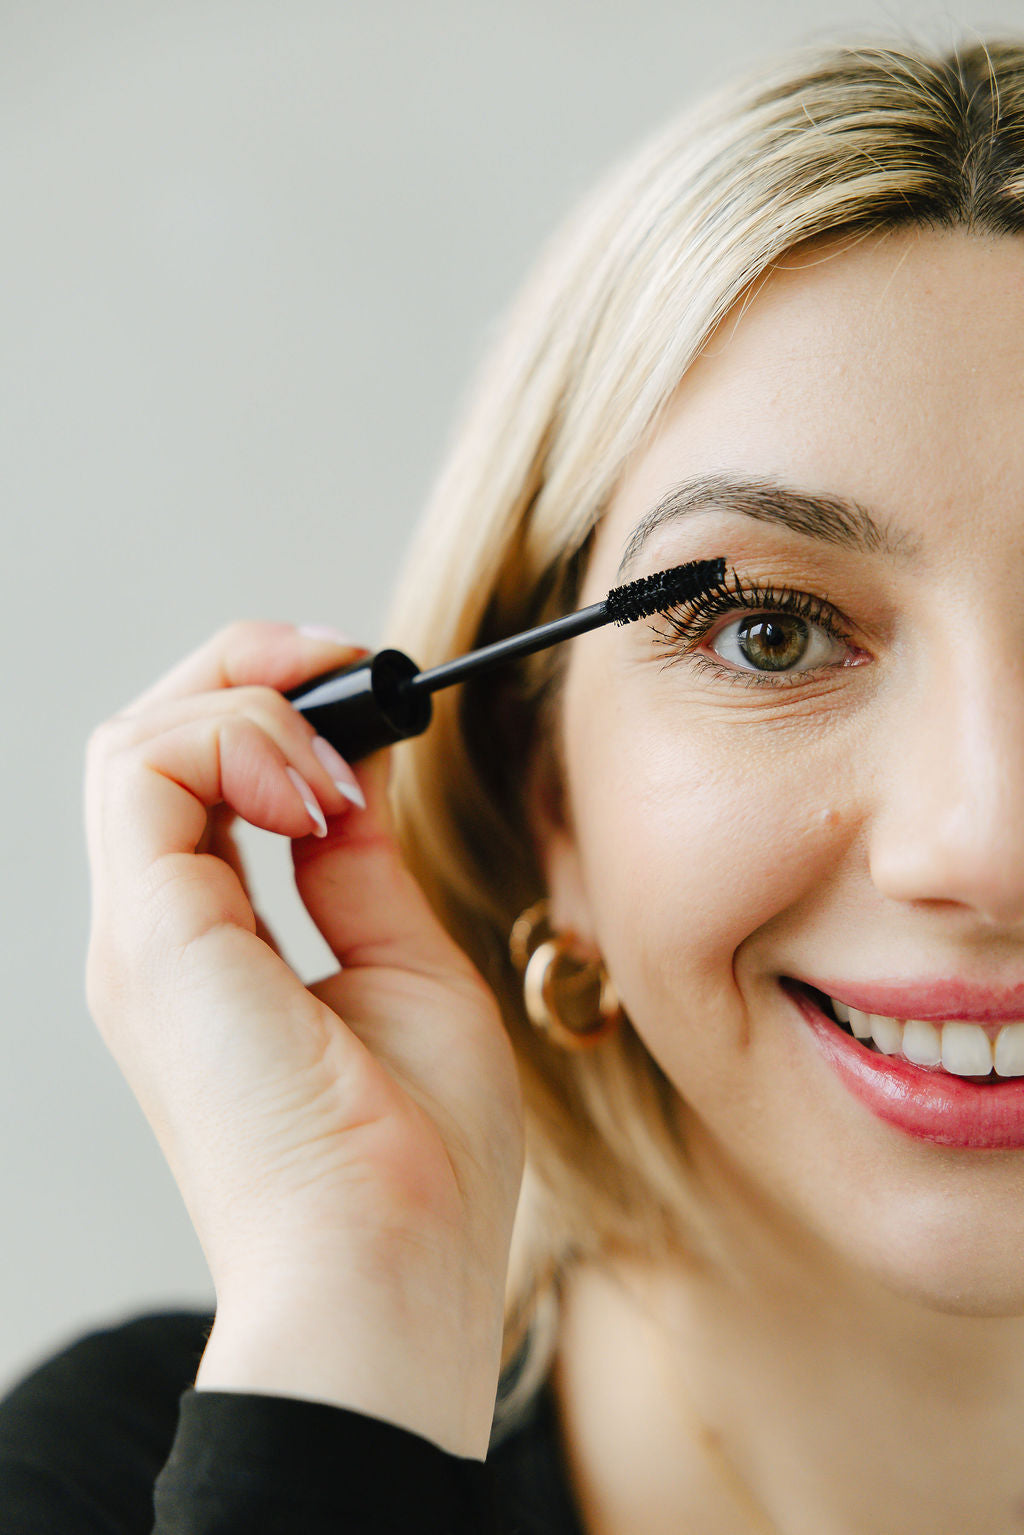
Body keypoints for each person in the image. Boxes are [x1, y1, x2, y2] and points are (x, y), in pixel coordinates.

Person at [4, 33, 1024, 1534]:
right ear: (541, 800)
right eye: (772, 632)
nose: (988, 843)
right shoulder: (135, 1482)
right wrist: (360, 1342)